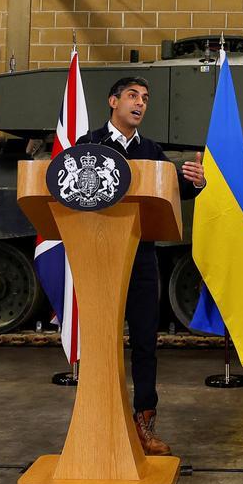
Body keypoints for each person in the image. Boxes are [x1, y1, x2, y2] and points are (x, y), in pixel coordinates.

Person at [77, 76, 205, 456]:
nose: (140, 103)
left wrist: (194, 184)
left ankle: (143, 424)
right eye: (132, 96)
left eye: (145, 99)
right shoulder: (89, 146)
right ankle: (100, 421)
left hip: (142, 258)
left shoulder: (151, 150)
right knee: (102, 343)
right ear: (113, 101)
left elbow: (169, 190)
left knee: (146, 343)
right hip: (100, 259)